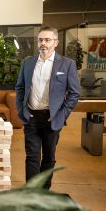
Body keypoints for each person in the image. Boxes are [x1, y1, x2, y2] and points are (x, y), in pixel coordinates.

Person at [15, 26, 80, 189]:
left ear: (55, 42)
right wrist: (22, 110)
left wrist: (62, 114)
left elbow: (74, 93)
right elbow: (20, 88)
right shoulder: (28, 63)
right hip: (31, 117)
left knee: (49, 157)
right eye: (41, 40)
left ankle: (44, 191)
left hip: (53, 118)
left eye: (47, 40)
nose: (43, 43)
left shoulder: (67, 64)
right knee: (32, 156)